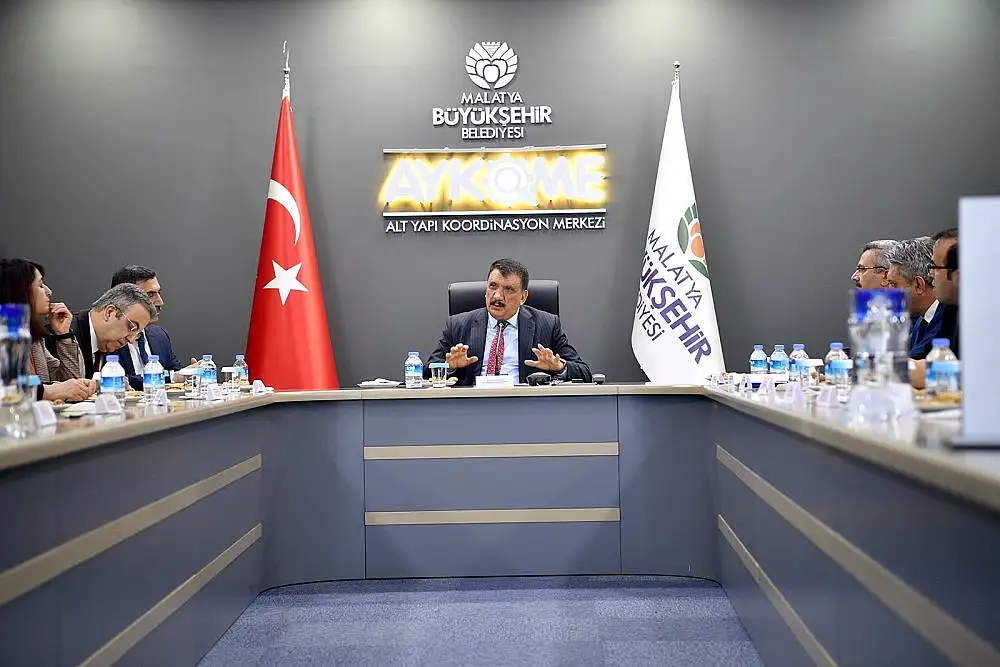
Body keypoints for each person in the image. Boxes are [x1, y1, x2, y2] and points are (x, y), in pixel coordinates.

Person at [427, 258, 592, 386]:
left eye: (508, 289)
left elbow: (584, 373)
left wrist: (559, 367)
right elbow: (425, 372)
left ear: (523, 297)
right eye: (493, 286)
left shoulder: (547, 324)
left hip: (525, 406)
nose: (497, 296)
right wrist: (448, 366)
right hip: (472, 407)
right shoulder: (459, 325)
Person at [0, 258, 96, 402]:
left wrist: (63, 335)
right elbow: (7, 389)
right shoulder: (5, 337)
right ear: (20, 291)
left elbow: (71, 383)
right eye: (40, 285)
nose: (49, 291)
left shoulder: (35, 340)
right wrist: (50, 391)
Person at [109, 265, 183, 388]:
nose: (160, 302)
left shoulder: (159, 335)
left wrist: (191, 372)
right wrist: (170, 378)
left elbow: (176, 373)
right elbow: (115, 379)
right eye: (150, 295)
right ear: (124, 299)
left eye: (159, 293)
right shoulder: (108, 338)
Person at [70, 283, 158, 378]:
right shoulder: (66, 336)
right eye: (131, 327)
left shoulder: (110, 343)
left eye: (137, 334)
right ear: (109, 312)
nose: (131, 340)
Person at [911, 227, 959, 388]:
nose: (930, 274)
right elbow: (928, 356)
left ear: (958, 276)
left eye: (935, 267)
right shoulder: (951, 308)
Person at [885, 237, 941, 359]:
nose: (888, 291)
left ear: (918, 285)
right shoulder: (922, 321)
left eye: (893, 284)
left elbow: (913, 361)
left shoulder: (947, 318)